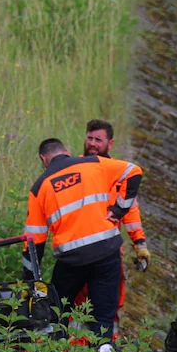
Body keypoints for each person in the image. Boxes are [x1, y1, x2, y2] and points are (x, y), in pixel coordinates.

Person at [23, 138, 144, 337]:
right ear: (67, 151)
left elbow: (34, 242)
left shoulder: (39, 187)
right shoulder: (93, 163)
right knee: (104, 315)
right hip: (107, 250)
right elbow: (133, 171)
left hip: (72, 258)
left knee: (57, 310)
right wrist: (120, 209)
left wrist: (29, 280)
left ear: (43, 159)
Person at [71, 120, 150, 333]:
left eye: (98, 139)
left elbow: (131, 211)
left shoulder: (119, 173)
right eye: (90, 138)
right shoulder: (73, 168)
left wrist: (139, 244)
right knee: (76, 305)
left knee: (110, 304)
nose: (93, 143)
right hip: (77, 248)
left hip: (109, 250)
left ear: (110, 143)